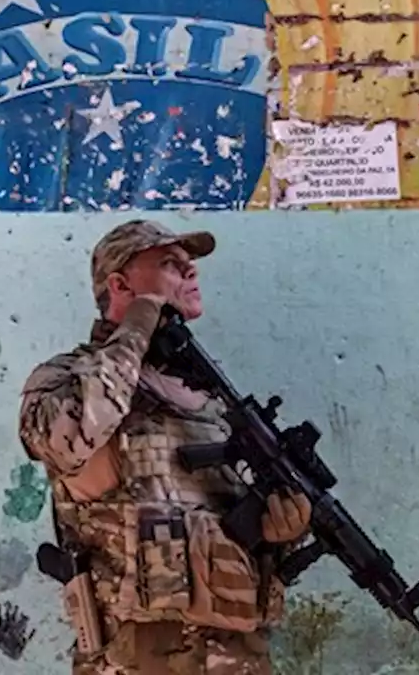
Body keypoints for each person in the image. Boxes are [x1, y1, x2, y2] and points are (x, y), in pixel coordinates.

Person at [17, 219, 313, 674]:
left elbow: (223, 528)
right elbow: (72, 437)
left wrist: (278, 534)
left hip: (236, 653)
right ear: (119, 284)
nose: (190, 273)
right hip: (137, 654)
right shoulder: (64, 380)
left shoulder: (211, 399)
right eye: (171, 265)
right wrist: (139, 320)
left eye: (190, 265)